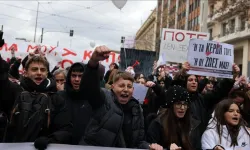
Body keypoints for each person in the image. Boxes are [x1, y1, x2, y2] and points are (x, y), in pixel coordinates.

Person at [79, 46, 163, 150]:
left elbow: (139, 142)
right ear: (113, 87)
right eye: (121, 86)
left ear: (133, 89)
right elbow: (88, 87)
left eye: (129, 86)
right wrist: (93, 62)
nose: (126, 89)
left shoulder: (137, 109)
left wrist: (149, 146)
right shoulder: (103, 98)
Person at [0, 55, 72, 143]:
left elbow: (65, 129)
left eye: (43, 70)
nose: (39, 73)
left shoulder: (56, 99)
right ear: (25, 73)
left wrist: (50, 140)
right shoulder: (15, 92)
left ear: (47, 73)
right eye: (34, 69)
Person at [147, 85, 193, 150]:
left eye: (185, 104)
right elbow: (150, 146)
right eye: (178, 104)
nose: (182, 108)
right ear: (171, 106)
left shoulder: (190, 124)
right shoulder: (157, 124)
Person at [58, 62, 93, 145]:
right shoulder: (60, 97)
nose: (77, 79)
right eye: (73, 75)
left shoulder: (93, 99)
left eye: (81, 76)